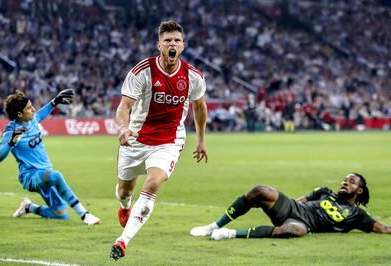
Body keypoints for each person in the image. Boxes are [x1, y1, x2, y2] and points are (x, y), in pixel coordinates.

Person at [110, 20, 208, 261]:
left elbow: (200, 107)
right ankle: (124, 207)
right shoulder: (141, 71)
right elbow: (124, 106)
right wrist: (123, 128)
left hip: (169, 141)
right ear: (159, 45)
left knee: (152, 184)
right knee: (124, 190)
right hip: (136, 139)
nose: (172, 44)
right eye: (167, 41)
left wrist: (201, 140)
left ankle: (123, 241)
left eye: (176, 40)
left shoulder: (193, 76)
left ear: (183, 46)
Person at [0, 90, 100, 225]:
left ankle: (28, 207)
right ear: (19, 114)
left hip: (45, 173)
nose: (33, 109)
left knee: (60, 214)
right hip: (30, 176)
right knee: (56, 176)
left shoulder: (31, 121)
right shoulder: (11, 131)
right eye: (29, 108)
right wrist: (12, 141)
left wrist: (54, 102)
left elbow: (40, 114)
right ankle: (85, 215)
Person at [190, 173, 391, 240]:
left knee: (297, 230)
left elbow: (384, 229)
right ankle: (214, 225)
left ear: (360, 191)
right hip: (294, 209)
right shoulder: (325, 191)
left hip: (304, 224)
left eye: (352, 181)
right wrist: (276, 204)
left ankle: (230, 233)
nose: (346, 182)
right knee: (261, 190)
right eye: (345, 179)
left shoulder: (358, 214)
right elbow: (300, 200)